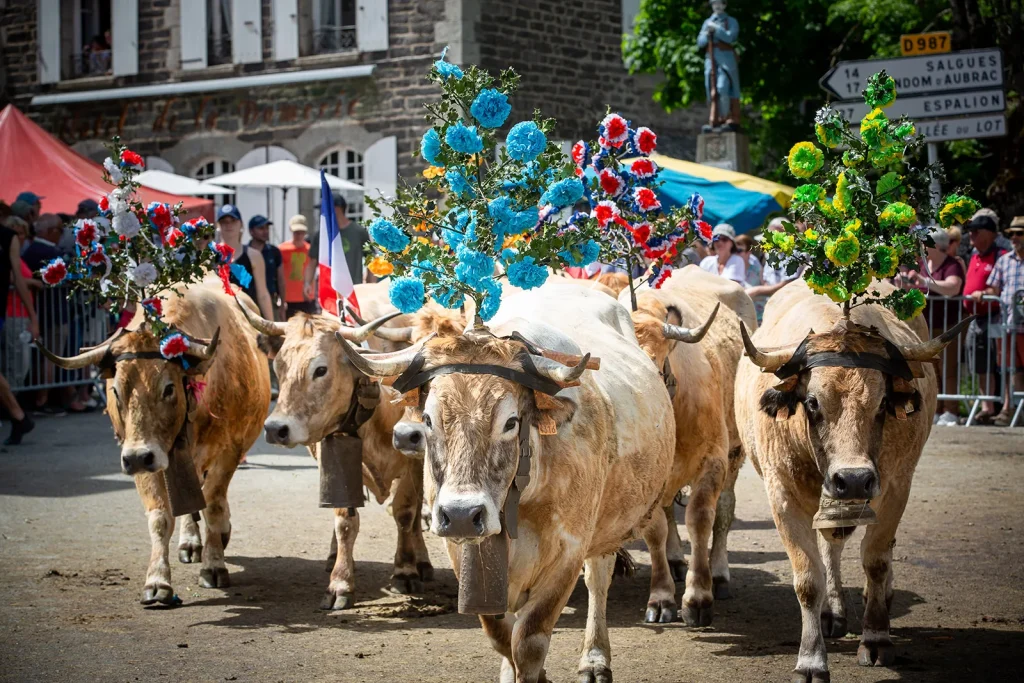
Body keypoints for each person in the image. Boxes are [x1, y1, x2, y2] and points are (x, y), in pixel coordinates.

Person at [901, 227, 965, 425]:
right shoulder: (920, 263)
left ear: (936, 245)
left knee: (948, 368)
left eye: (924, 242)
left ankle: (951, 410)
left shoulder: (952, 264)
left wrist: (925, 281)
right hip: (923, 326)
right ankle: (935, 408)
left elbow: (953, 287)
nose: (921, 246)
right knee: (931, 369)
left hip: (947, 325)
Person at [974, 216, 1024, 426]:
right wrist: (982, 294)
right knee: (1008, 368)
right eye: (1011, 233)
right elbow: (994, 288)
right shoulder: (1005, 260)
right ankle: (1009, 408)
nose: (1014, 237)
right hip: (1007, 323)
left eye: (1019, 233)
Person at [962, 211, 1007, 423]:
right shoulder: (973, 254)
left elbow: (1003, 286)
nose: (970, 236)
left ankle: (1006, 406)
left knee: (1002, 362)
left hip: (997, 316)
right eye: (969, 232)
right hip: (975, 317)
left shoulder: (1001, 255)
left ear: (989, 234)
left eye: (975, 232)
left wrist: (987, 293)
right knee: (979, 362)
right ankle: (986, 406)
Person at [0, 216, 40, 443]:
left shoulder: (8, 237)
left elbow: (20, 281)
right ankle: (18, 416)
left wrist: (33, 318)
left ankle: (18, 416)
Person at [303, 194, 372, 303]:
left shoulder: (359, 232)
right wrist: (307, 283)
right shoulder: (321, 235)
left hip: (354, 291)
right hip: (329, 294)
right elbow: (312, 263)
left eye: (323, 209)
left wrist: (370, 287)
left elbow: (371, 262)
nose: (321, 214)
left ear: (337, 209)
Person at [216, 204, 274, 320]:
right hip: (218, 318)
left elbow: (263, 294)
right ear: (218, 225)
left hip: (248, 318)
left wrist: (271, 324)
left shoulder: (254, 256)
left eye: (233, 220)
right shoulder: (209, 256)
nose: (229, 225)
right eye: (224, 221)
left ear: (240, 224)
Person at [247, 215, 285, 320]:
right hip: (249, 302)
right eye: (261, 228)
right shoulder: (245, 253)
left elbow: (281, 280)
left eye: (267, 228)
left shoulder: (274, 252)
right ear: (251, 231)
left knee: (273, 333)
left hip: (271, 302)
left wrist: (282, 306)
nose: (265, 231)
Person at [279, 215, 316, 318]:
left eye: (301, 232)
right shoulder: (281, 249)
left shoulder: (311, 250)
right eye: (296, 232)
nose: (299, 235)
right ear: (291, 230)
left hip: (307, 298)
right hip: (288, 299)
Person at [734, 233, 764, 317]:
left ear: (748, 252)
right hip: (738, 315)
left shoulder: (757, 270)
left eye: (739, 251)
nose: (735, 254)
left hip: (757, 315)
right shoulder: (730, 270)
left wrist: (755, 291)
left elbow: (767, 289)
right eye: (734, 251)